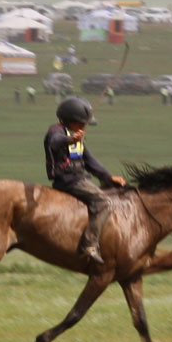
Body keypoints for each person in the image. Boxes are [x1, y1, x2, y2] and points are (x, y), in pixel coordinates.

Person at [45, 97, 124, 268]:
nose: (84, 127)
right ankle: (89, 244)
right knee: (104, 202)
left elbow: (90, 162)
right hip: (68, 180)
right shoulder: (56, 131)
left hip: (80, 178)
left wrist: (109, 178)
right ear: (70, 121)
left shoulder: (78, 137)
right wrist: (70, 140)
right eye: (81, 123)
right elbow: (54, 142)